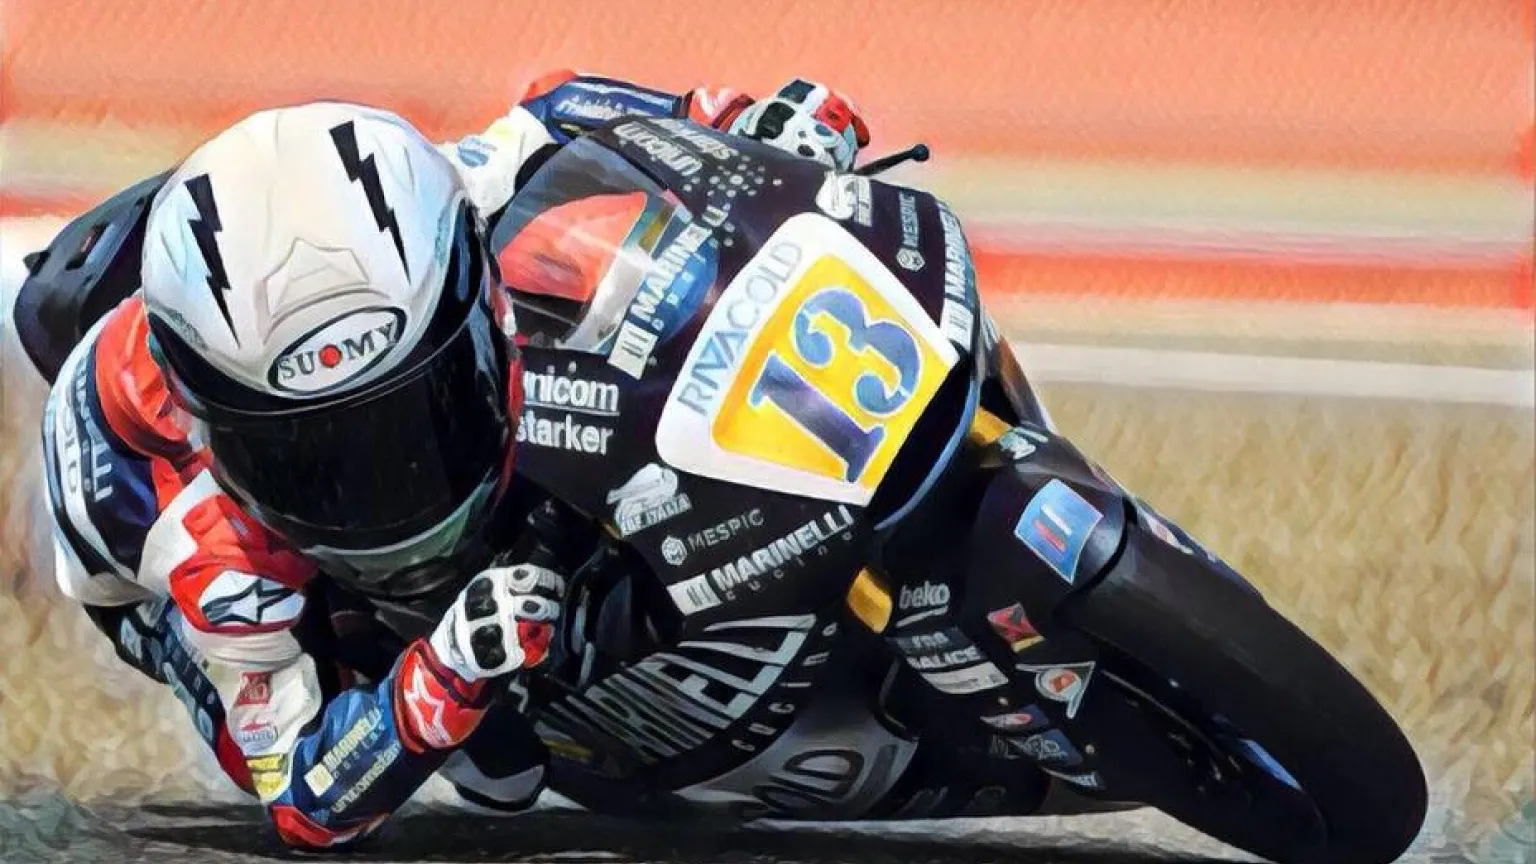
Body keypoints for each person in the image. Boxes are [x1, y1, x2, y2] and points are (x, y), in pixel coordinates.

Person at [35, 71, 871, 849]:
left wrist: (741, 124)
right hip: (151, 568)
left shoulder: (433, 202)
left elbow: (561, 111)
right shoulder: (206, 551)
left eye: (410, 423)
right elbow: (301, 800)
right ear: (215, 431)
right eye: (310, 458)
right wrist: (445, 670)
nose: (379, 484)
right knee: (499, 767)